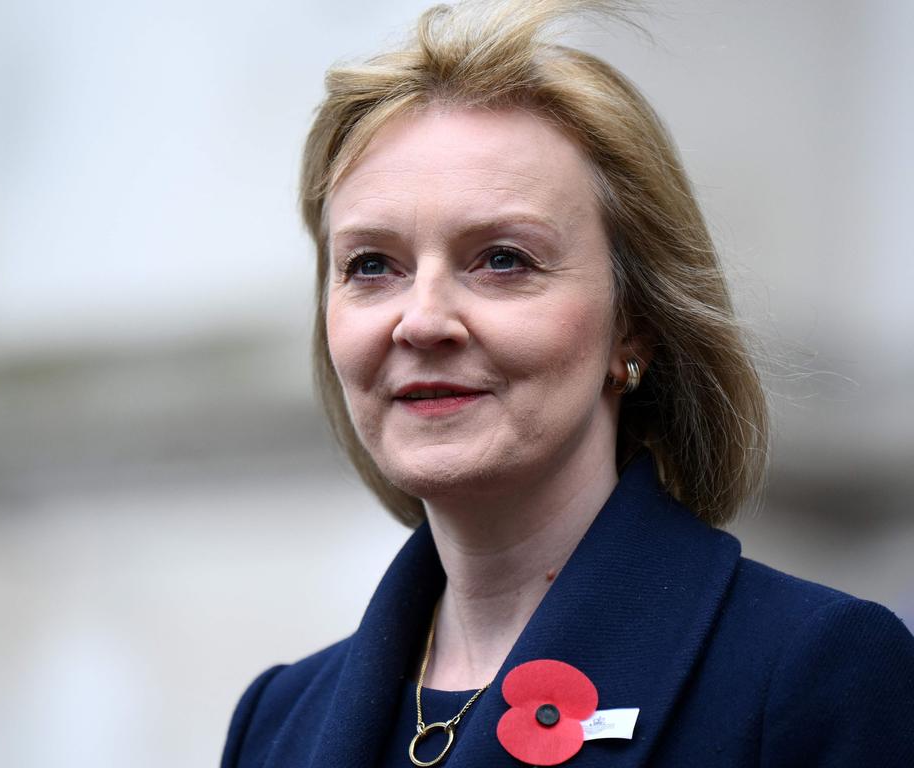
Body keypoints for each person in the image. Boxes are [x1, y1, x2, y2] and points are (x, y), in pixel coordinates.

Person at [222, 1, 914, 766]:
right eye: (372, 266)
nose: (421, 322)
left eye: (503, 259)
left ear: (633, 326)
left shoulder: (811, 674)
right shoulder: (275, 722)